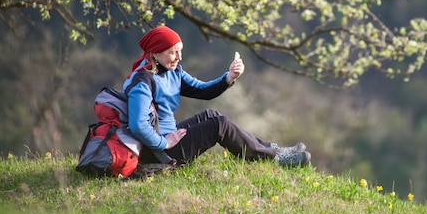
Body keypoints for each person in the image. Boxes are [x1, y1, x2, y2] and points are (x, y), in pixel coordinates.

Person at [123, 26, 311, 168]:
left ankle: (275, 150)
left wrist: (229, 77)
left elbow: (203, 90)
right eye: (173, 52)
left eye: (180, 51)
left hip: (167, 140)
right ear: (155, 52)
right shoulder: (142, 81)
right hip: (157, 152)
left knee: (211, 115)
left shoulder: (173, 71)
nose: (179, 57)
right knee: (218, 124)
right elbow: (138, 125)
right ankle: (275, 160)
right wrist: (164, 143)